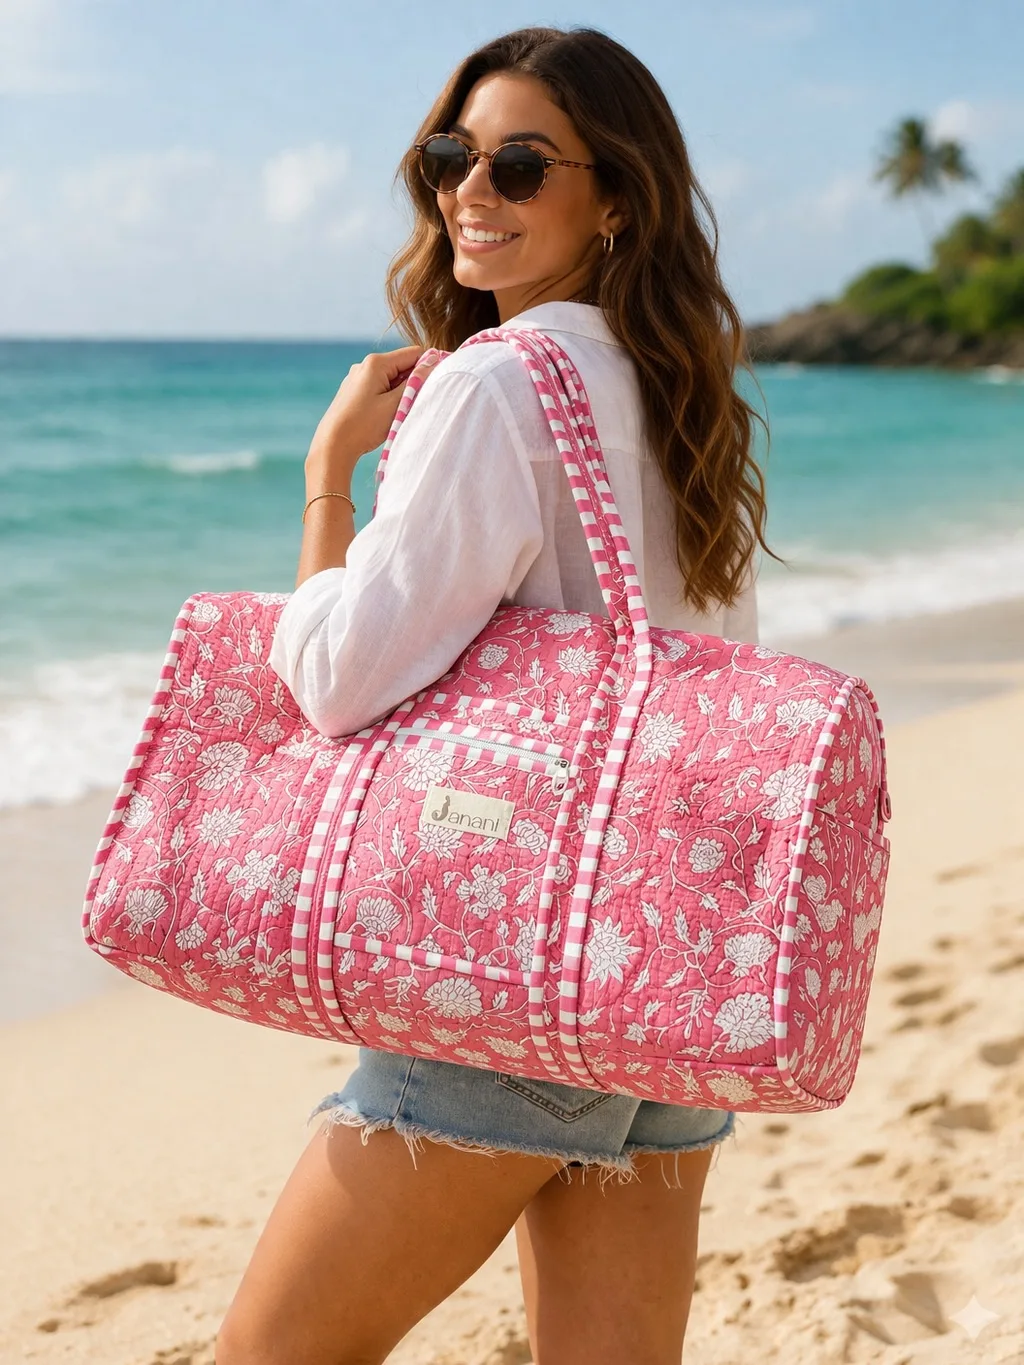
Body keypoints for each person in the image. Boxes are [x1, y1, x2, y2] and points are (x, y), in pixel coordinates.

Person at [217, 25, 771, 1365]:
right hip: (655, 968)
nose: (472, 190)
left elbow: (339, 681)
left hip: (510, 971)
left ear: (616, 196)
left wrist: (329, 475)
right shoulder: (683, 397)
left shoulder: (494, 382)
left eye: (520, 165)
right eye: (450, 157)